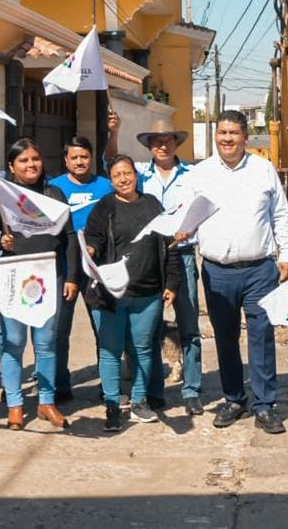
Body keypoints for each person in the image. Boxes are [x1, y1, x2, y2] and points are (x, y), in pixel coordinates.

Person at [180, 110, 288, 434]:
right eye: (222, 133)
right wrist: (182, 232)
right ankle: (233, 398)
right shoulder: (199, 174)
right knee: (225, 337)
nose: (227, 138)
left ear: (245, 136)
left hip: (260, 270)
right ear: (215, 136)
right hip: (217, 272)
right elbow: (187, 219)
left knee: (262, 336)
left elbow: (280, 215)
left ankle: (265, 405)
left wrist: (286, 255)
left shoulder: (263, 170)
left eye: (233, 133)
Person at [108, 114, 204, 415]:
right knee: (147, 330)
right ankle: (151, 391)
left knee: (188, 326)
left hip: (182, 255)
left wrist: (192, 228)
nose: (162, 146)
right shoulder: (138, 174)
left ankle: (191, 390)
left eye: (168, 141)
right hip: (146, 259)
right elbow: (110, 162)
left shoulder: (193, 174)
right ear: (149, 146)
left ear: (176, 143)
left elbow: (204, 209)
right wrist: (113, 132)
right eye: (156, 142)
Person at [0, 138, 81, 430]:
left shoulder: (54, 193)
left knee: (46, 343)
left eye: (35, 159)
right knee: (13, 343)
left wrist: (73, 276)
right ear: (11, 166)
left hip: (49, 277)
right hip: (12, 277)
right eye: (23, 160)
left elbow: (70, 237)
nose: (31, 165)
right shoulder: (0, 197)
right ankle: (14, 404)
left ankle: (46, 402)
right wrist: (0, 241)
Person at [84, 154, 180, 430]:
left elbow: (169, 243)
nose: (123, 179)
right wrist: (90, 250)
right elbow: (94, 237)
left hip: (148, 293)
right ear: (111, 180)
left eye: (127, 173)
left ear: (135, 176)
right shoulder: (104, 208)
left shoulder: (152, 205)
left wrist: (172, 284)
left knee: (143, 349)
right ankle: (113, 405)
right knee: (110, 350)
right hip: (111, 294)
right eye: (117, 176)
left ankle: (139, 401)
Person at [48, 136, 113, 401]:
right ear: (65, 160)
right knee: (59, 331)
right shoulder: (53, 187)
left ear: (92, 157)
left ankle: (108, 385)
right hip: (64, 269)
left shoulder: (106, 186)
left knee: (104, 328)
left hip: (98, 269)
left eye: (84, 156)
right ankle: (61, 385)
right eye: (74, 157)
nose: (79, 161)